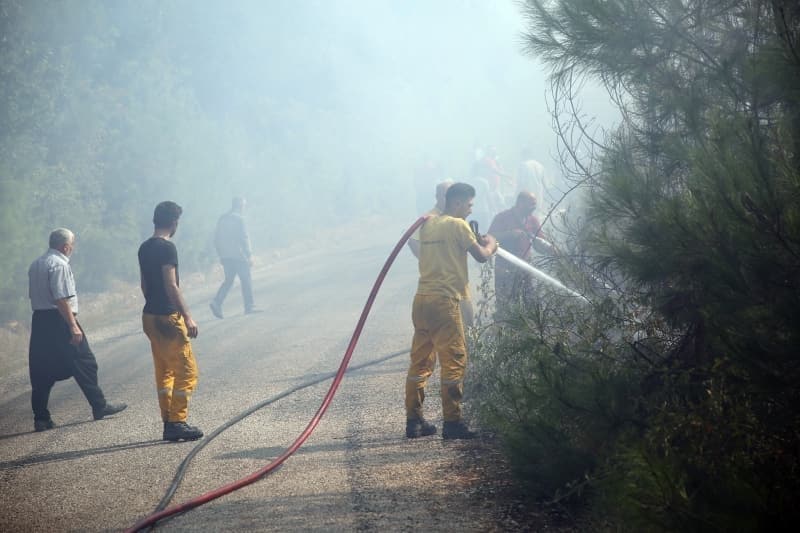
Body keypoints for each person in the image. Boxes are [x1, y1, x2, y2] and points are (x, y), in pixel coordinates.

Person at [405, 182, 498, 440]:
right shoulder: (458, 225)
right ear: (457, 203)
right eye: (469, 205)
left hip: (422, 300)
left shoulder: (429, 223)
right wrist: (492, 244)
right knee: (454, 362)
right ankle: (453, 423)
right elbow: (481, 255)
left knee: (420, 362)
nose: (470, 210)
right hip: (446, 302)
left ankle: (413, 421)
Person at [27, 228, 127, 432]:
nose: (73, 248)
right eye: (72, 245)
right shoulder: (59, 264)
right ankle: (100, 406)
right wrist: (73, 325)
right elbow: (60, 297)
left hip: (39, 320)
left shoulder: (36, 264)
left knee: (41, 370)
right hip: (59, 319)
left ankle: (41, 417)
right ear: (65, 246)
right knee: (85, 362)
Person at [138, 201, 203, 442]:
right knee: (187, 371)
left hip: (149, 316)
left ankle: (168, 420)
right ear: (174, 223)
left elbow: (144, 285)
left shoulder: (144, 248)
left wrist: (154, 304)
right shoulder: (168, 249)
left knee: (164, 371)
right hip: (167, 317)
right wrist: (187, 316)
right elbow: (171, 284)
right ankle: (177, 422)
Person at [488, 191, 552, 314]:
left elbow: (541, 242)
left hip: (526, 267)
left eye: (535, 205)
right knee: (505, 304)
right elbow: (489, 237)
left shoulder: (533, 220)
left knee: (530, 302)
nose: (534, 208)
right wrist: (510, 234)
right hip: (505, 268)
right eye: (531, 204)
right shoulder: (502, 217)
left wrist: (550, 248)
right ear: (520, 203)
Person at [209, 197, 257, 318]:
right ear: (240, 205)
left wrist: (221, 254)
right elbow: (244, 238)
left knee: (229, 280)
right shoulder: (240, 220)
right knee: (246, 280)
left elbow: (216, 239)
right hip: (239, 256)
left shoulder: (222, 219)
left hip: (226, 256)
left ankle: (217, 302)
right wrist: (249, 255)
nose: (244, 208)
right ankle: (249, 306)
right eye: (244, 205)